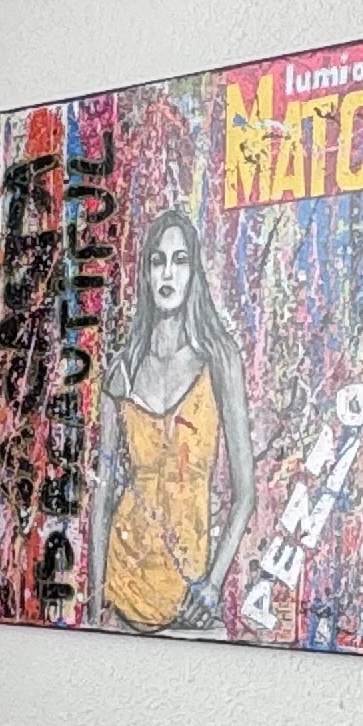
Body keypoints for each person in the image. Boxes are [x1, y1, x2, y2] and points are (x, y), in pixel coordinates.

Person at [96, 205, 252, 634]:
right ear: (146, 274)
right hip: (122, 591)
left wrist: (213, 586)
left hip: (190, 601)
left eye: (179, 260)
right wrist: (94, 605)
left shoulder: (219, 359)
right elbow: (103, 495)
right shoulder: (122, 370)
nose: (167, 273)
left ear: (194, 271)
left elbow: (246, 494)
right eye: (157, 261)